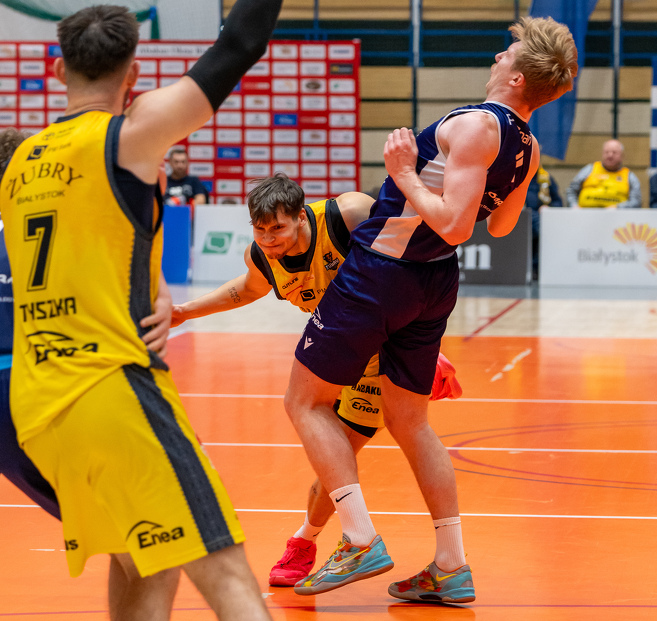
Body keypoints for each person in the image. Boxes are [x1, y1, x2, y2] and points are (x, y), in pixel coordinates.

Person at [0, 0, 378, 621]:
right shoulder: (128, 135)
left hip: (34, 402)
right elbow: (241, 42)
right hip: (108, 387)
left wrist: (151, 291)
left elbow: (80, 252)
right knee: (228, 569)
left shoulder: (21, 158)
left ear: (53, 69)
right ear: (132, 76)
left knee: (143, 555)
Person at [283, 16, 578, 602]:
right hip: (434, 282)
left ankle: (359, 537)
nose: (498, 56)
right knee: (410, 422)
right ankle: (450, 565)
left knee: (304, 401)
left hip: (382, 271)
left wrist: (403, 175)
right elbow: (503, 224)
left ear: (518, 78)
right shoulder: (529, 147)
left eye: (507, 52)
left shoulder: (477, 125)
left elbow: (456, 224)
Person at [0, 127, 230, 621]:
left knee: (135, 551)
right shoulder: (64, 228)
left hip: (17, 400)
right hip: (40, 393)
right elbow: (124, 320)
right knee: (153, 549)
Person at [171, 173, 462, 588]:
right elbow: (247, 290)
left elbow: (408, 272)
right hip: (338, 348)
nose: (268, 239)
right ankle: (313, 542)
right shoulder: (262, 256)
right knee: (334, 456)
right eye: (259, 230)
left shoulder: (350, 214)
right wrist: (185, 311)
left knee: (335, 441)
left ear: (301, 218)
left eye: (277, 228)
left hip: (380, 354)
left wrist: (425, 347)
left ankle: (333, 540)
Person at [567, 139, 641, 208]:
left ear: (622, 156)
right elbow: (571, 191)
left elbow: (636, 202)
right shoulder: (589, 169)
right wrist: (574, 206)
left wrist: (619, 208)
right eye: (607, 152)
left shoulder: (629, 176)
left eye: (614, 152)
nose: (610, 155)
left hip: (617, 216)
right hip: (584, 214)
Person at [525, 163, 562, 277]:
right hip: (521, 215)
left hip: (541, 216)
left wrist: (549, 208)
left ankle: (536, 267)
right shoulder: (516, 176)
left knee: (543, 227)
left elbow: (558, 201)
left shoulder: (547, 178)